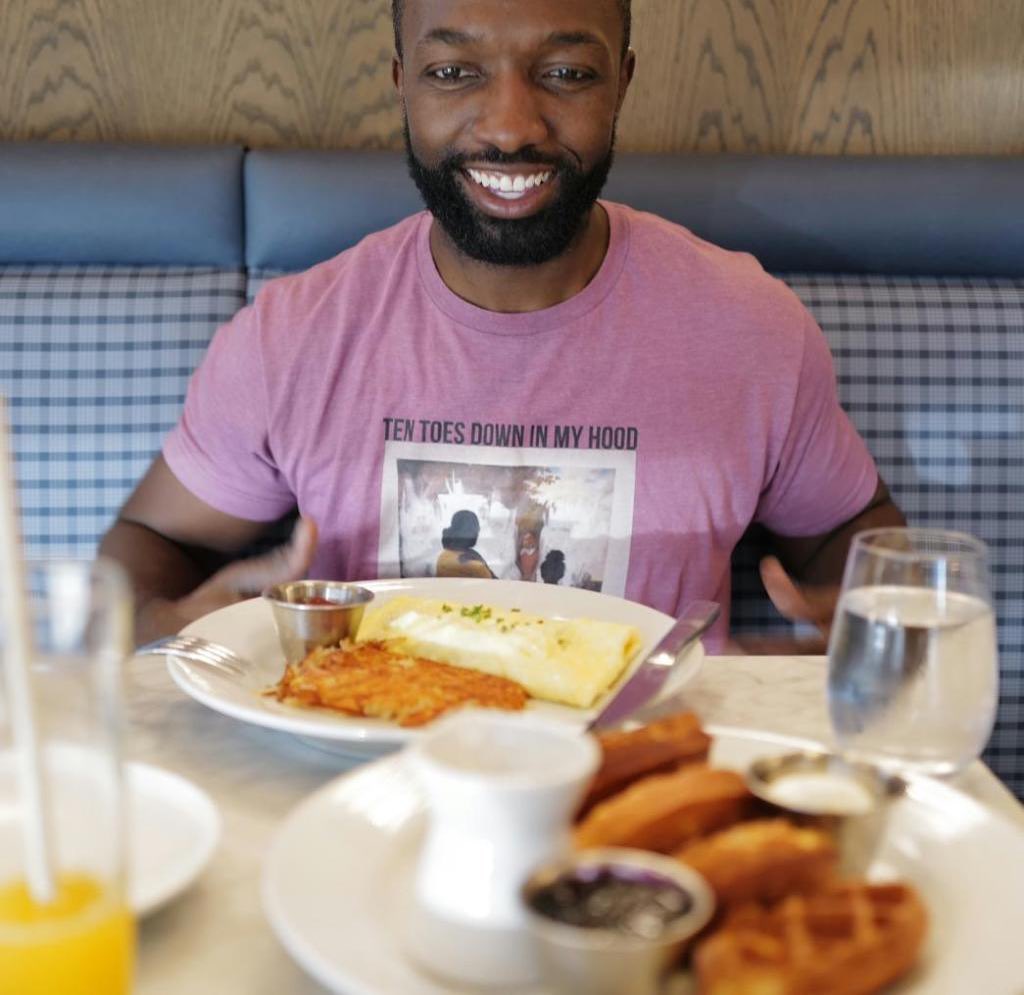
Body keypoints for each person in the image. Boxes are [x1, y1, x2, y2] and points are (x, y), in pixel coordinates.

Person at [98, 0, 904, 651]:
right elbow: (153, 536)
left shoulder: (750, 327)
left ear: (620, 83)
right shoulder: (293, 336)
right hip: (363, 768)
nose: (511, 125)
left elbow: (846, 529)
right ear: (402, 81)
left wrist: (870, 615)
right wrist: (154, 623)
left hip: (643, 784)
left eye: (565, 73)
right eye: (454, 72)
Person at [436, 510, 495, 578]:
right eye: (476, 526)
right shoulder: (476, 567)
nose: (478, 530)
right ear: (468, 531)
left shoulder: (443, 556)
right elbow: (496, 585)